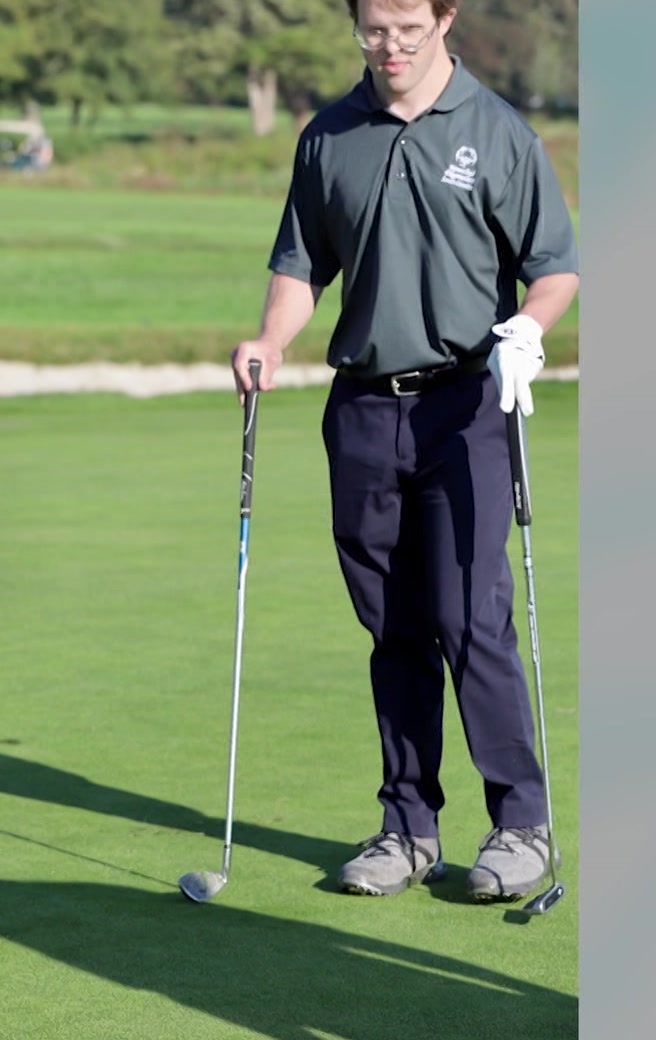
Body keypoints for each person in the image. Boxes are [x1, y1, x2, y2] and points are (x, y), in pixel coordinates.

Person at [229, 0, 578, 902]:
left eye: (407, 30)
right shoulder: (329, 135)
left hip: (466, 404)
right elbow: (302, 263)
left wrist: (529, 330)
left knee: (471, 617)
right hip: (361, 410)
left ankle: (521, 824)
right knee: (392, 625)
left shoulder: (497, 132)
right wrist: (270, 339)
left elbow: (554, 265)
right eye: (373, 30)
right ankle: (409, 827)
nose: (389, 47)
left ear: (445, 18)